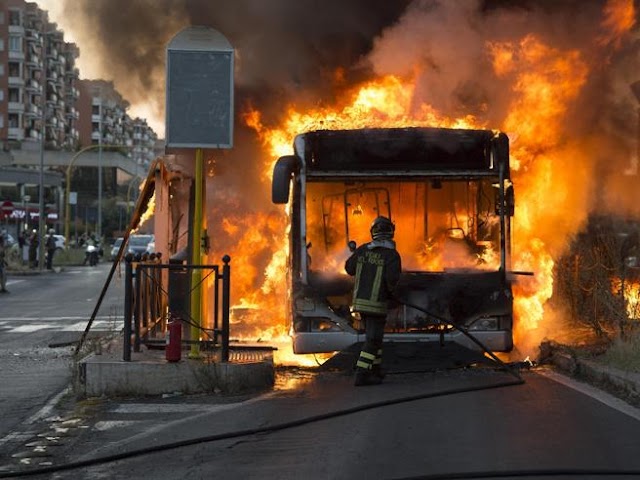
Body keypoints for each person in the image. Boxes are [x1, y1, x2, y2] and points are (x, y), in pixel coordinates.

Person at [345, 216, 402, 386]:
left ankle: (375, 371)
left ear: (373, 232)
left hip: (361, 303)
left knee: (375, 338)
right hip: (377, 304)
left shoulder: (362, 250)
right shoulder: (391, 255)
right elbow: (392, 279)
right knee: (373, 340)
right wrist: (394, 296)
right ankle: (362, 374)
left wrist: (357, 255)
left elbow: (349, 269)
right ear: (391, 232)